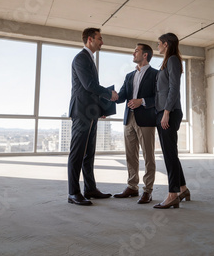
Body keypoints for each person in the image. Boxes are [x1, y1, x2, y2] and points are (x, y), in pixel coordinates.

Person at [67, 27, 119, 206]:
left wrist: (100, 109)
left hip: (90, 112)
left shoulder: (89, 58)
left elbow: (90, 89)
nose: (102, 41)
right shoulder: (81, 58)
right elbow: (89, 85)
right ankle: (73, 193)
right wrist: (109, 94)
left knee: (89, 153)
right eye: (99, 38)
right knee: (77, 153)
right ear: (90, 39)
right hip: (81, 112)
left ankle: (90, 188)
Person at [114, 44, 158, 204]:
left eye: (136, 51)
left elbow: (159, 97)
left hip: (146, 120)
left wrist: (143, 101)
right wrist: (107, 97)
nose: (133, 53)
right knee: (130, 155)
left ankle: (148, 190)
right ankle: (132, 186)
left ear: (145, 55)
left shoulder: (156, 74)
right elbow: (121, 96)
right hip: (129, 119)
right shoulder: (129, 75)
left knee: (148, 156)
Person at [153, 32, 190, 209]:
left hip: (169, 111)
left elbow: (174, 87)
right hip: (164, 111)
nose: (157, 46)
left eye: (159, 43)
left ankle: (172, 194)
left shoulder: (173, 60)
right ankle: (182, 189)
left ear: (166, 44)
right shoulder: (168, 61)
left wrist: (166, 112)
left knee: (169, 154)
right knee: (170, 153)